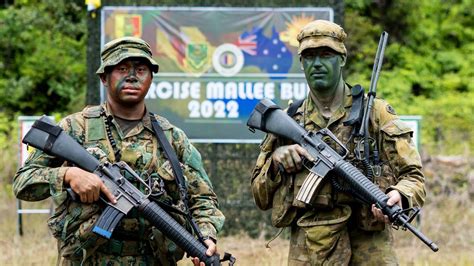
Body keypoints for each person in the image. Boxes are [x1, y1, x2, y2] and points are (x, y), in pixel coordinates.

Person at [13, 37, 224, 265]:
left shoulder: (172, 138)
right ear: (104, 77)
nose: (132, 76)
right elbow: (23, 182)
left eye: (141, 69)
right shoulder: (75, 128)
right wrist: (68, 175)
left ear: (151, 78)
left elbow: (202, 199)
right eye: (122, 68)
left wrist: (205, 238)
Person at [251, 20, 426, 265]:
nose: (318, 63)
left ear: (341, 59)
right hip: (310, 250)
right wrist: (277, 161)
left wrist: (399, 194)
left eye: (326, 54)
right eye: (310, 56)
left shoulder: (373, 113)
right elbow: (259, 196)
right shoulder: (289, 120)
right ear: (302, 63)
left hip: (370, 249)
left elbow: (414, 177)